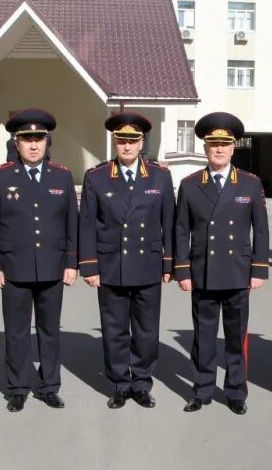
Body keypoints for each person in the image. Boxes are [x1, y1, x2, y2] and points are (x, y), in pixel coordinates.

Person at [0, 108, 78, 412]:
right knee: (17, 331)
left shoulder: (61, 175)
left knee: (50, 332)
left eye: (39, 139)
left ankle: (49, 386)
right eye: (27, 139)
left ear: (47, 142)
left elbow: (71, 223)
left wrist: (71, 263)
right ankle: (18, 386)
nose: (34, 145)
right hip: (14, 269)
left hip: (51, 268)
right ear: (16, 142)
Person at [174, 112, 269, 415]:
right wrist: (182, 270)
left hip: (238, 273)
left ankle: (236, 391)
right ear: (205, 148)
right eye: (213, 145)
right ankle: (201, 390)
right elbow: (180, 230)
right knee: (203, 337)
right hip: (202, 272)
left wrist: (258, 269)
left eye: (224, 145)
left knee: (235, 337)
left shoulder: (250, 184)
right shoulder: (190, 185)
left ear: (232, 148)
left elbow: (261, 229)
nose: (218, 150)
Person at [78, 113, 175, 409]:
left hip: (147, 265)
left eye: (133, 140)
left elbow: (169, 221)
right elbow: (87, 225)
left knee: (146, 330)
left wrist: (169, 264)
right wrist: (89, 265)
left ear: (142, 142)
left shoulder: (159, 176)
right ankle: (119, 383)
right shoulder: (96, 176)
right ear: (114, 142)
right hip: (111, 266)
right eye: (122, 140)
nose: (127, 146)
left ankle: (142, 383)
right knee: (115, 329)